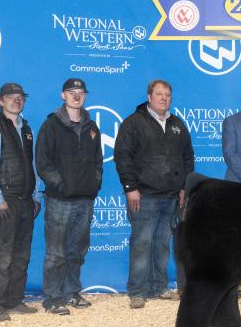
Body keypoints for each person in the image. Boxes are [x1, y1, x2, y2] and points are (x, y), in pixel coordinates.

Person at [114, 80, 194, 310]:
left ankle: (159, 287)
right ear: (149, 97)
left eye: (167, 94)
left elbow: (188, 157)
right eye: (159, 94)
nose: (164, 98)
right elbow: (123, 156)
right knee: (141, 243)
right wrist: (130, 188)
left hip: (171, 197)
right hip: (144, 195)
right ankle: (138, 291)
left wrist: (184, 188)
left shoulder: (177, 124)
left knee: (162, 244)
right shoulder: (134, 123)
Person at [35, 78, 102, 315]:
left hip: (85, 199)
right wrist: (61, 185)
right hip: (60, 200)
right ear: (63, 95)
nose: (76, 95)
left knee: (77, 251)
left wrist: (94, 183)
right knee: (56, 253)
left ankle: (72, 292)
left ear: (85, 96)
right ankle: (53, 298)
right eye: (71, 92)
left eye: (80, 92)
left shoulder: (92, 127)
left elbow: (98, 162)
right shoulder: (51, 125)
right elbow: (43, 163)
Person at [0, 83, 42, 322]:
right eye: (11, 97)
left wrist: (36, 195)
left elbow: (33, 165)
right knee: (1, 256)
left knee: (21, 255)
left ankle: (14, 300)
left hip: (25, 201)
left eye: (20, 97)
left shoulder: (26, 129)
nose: (17, 100)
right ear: (1, 101)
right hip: (4, 201)